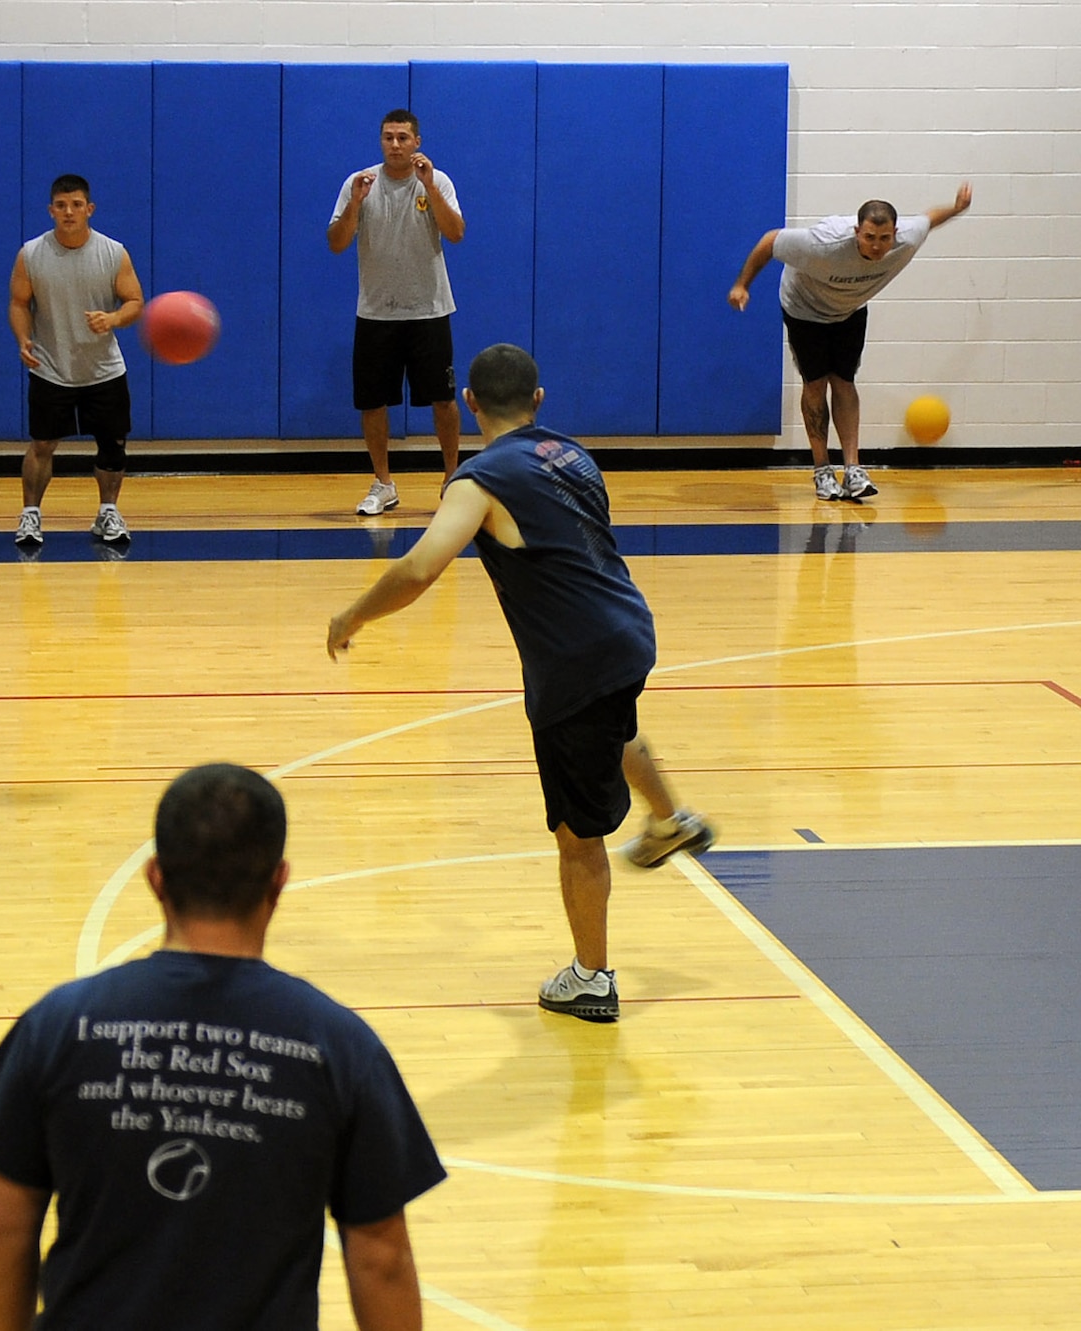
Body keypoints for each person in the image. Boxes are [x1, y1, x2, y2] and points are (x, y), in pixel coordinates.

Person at [0, 763, 444, 1330]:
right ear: (278, 882)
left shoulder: (57, 1026)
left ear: (156, 878)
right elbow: (381, 1258)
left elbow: (4, 1228)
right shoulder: (338, 1045)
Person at [326, 345, 715, 1024]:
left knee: (576, 834)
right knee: (613, 726)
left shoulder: (479, 480)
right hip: (630, 632)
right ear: (539, 401)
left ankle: (591, 977)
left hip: (575, 660)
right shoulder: (572, 454)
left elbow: (420, 569)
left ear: (469, 404)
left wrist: (353, 612)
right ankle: (670, 819)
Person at [728, 184, 973, 503]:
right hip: (805, 308)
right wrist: (742, 285)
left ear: (894, 233)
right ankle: (821, 471)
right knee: (815, 383)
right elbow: (770, 241)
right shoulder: (823, 243)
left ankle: (854, 469)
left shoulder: (907, 238)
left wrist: (955, 208)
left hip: (849, 310)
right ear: (857, 231)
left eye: (884, 239)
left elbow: (928, 218)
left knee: (844, 381)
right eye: (869, 237)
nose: (876, 246)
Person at [328, 110, 466, 516]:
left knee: (442, 400)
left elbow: (456, 233)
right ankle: (383, 483)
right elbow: (336, 242)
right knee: (373, 402)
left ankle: (452, 480)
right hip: (376, 312)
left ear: (417, 142)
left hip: (429, 309)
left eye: (403, 137)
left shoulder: (436, 180)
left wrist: (430, 188)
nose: (395, 144)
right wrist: (354, 204)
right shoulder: (360, 183)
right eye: (388, 137)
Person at [10, 173, 145, 549]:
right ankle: (30, 516)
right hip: (52, 366)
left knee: (113, 443)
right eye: (61, 205)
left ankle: (107, 512)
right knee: (42, 444)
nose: (68, 212)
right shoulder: (31, 254)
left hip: (103, 369)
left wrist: (114, 319)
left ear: (90, 209)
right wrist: (23, 339)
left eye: (76, 205)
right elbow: (19, 303)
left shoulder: (112, 252)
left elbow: (135, 301)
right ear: (51, 210)